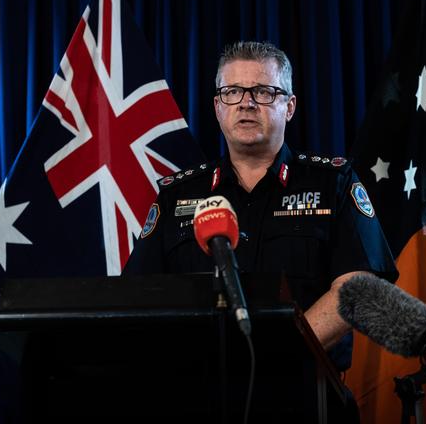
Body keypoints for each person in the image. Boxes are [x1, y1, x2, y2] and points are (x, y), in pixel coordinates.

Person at [124, 41, 398, 422]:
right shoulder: (176, 196)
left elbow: (359, 288)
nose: (246, 103)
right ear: (218, 107)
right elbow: (139, 296)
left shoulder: (332, 182)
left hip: (306, 398)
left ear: (290, 106)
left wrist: (273, 355)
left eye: (264, 92)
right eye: (232, 92)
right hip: (199, 401)